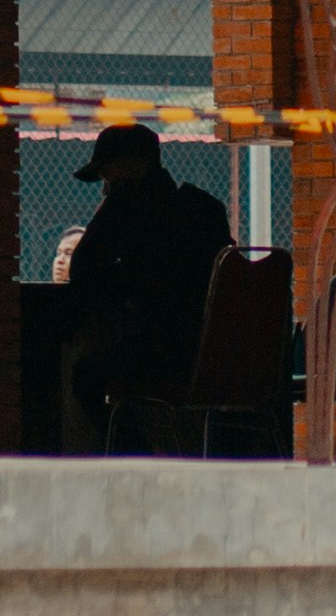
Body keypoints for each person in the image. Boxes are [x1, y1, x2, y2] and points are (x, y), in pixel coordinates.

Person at [55, 122, 231, 453]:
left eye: (109, 179)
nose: (106, 190)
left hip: (171, 354)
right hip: (222, 356)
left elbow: (83, 269)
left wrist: (113, 205)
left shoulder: (131, 210)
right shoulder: (206, 209)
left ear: (134, 168)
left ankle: (136, 462)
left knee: (88, 375)